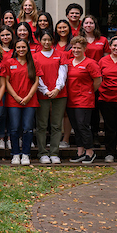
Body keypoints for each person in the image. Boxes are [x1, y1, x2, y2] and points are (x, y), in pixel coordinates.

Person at [63, 36, 101, 164]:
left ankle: (90, 152)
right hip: (70, 99)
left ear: (84, 48)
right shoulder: (68, 62)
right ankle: (80, 152)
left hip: (84, 100)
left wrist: (89, 92)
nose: (76, 50)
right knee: (75, 126)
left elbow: (98, 81)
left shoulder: (90, 63)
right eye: (74, 47)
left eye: (79, 48)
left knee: (83, 125)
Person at [32, 30, 68, 164]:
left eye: (49, 40)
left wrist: (57, 88)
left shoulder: (61, 54)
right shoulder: (35, 56)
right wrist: (45, 90)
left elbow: (63, 73)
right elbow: (36, 75)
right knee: (41, 124)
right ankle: (42, 153)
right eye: (44, 40)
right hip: (42, 94)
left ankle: (54, 152)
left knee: (57, 125)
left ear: (53, 40)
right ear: (40, 41)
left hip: (60, 93)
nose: (46, 42)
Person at [4, 38, 39, 165]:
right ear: (15, 49)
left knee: (28, 128)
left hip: (30, 100)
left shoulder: (33, 62)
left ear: (28, 48)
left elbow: (36, 81)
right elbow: (6, 82)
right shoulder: (9, 62)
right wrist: (16, 97)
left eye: (23, 47)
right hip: (13, 101)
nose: (21, 50)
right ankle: (15, 154)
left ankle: (25, 154)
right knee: (14, 128)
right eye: (18, 47)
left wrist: (29, 96)